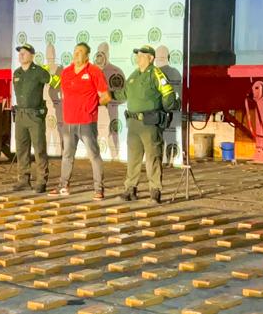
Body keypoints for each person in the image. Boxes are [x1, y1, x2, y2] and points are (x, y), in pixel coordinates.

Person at [115, 45, 178, 203]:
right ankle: (130, 189)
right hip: (133, 123)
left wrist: (167, 107)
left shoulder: (155, 73)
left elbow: (168, 94)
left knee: (153, 157)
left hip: (149, 123)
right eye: (137, 55)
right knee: (133, 157)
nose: (138, 58)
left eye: (141, 55)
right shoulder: (134, 75)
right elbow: (123, 94)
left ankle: (155, 191)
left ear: (150, 58)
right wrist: (106, 95)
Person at [51, 42, 110, 199]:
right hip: (68, 122)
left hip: (86, 122)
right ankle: (63, 186)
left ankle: (99, 189)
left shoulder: (94, 72)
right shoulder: (66, 72)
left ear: (87, 56)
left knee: (93, 156)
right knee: (67, 155)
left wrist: (91, 105)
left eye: (80, 52)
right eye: (75, 51)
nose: (76, 54)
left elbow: (106, 96)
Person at [11, 43, 55, 192]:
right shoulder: (16, 73)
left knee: (39, 148)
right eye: (20, 53)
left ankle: (42, 180)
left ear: (32, 55)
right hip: (21, 115)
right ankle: (23, 179)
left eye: (24, 52)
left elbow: (54, 82)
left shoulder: (39, 72)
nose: (21, 55)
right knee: (22, 149)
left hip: (34, 115)